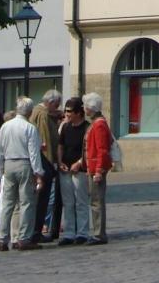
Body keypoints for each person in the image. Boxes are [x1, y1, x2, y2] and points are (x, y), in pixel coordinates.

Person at [0, 96, 44, 251]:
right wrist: (38, 173)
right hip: (24, 163)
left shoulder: (5, 126)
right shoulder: (29, 128)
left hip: (8, 163)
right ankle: (23, 238)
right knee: (26, 203)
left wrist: (1, 169)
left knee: (8, 203)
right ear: (29, 111)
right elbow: (34, 153)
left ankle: (3, 239)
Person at [57, 96, 91, 246]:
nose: (66, 114)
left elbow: (88, 149)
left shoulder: (87, 128)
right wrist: (60, 162)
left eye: (69, 111)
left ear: (78, 112)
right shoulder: (65, 127)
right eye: (66, 111)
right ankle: (69, 233)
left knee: (81, 202)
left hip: (80, 170)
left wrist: (79, 163)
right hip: (65, 169)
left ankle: (82, 233)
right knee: (68, 202)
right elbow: (60, 146)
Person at [30, 89, 62, 242]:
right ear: (50, 102)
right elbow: (45, 141)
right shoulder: (42, 114)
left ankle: (35, 230)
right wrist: (51, 163)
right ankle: (36, 231)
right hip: (44, 163)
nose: (57, 108)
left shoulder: (40, 112)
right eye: (56, 105)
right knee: (42, 200)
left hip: (40, 162)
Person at [83, 91, 114, 246]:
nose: (84, 109)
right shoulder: (96, 123)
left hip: (96, 167)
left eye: (86, 106)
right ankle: (97, 232)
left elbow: (102, 149)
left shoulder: (99, 124)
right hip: (93, 166)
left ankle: (99, 233)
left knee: (97, 201)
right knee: (95, 200)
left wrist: (99, 169)